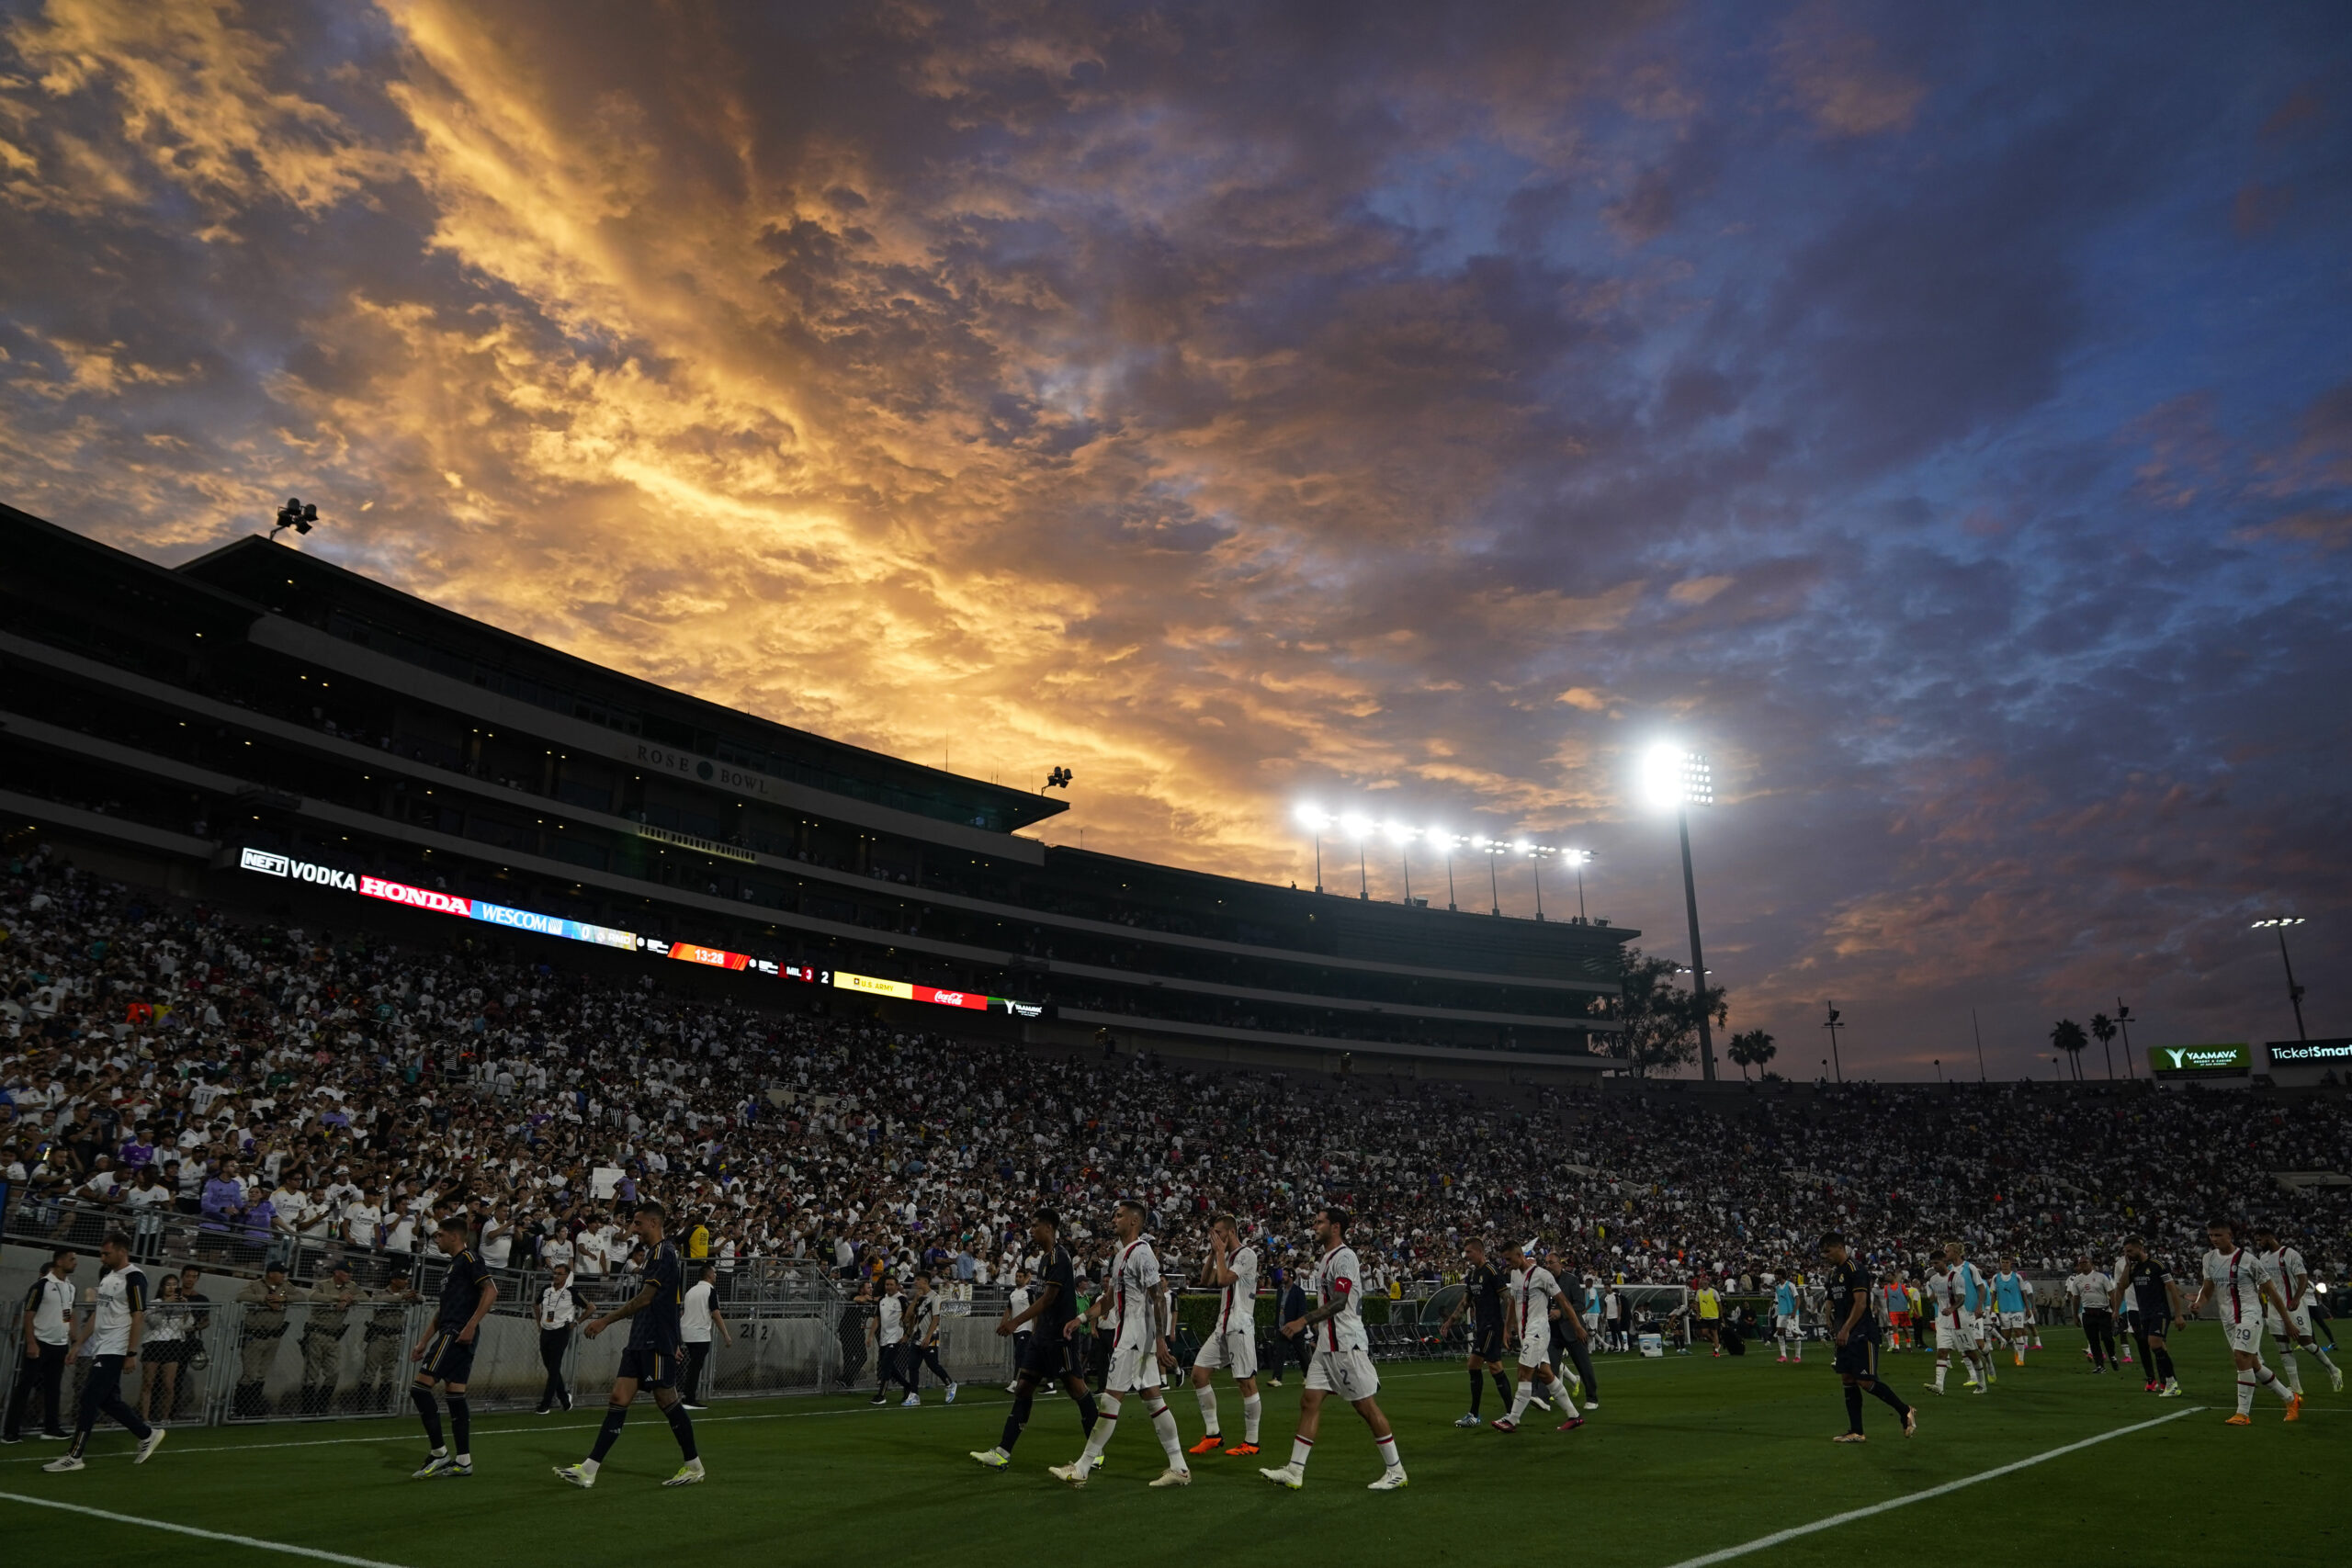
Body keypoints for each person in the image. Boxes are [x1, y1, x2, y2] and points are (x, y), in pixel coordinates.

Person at [555, 1200, 704, 1487]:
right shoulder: (652, 1255)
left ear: (653, 1223)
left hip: (655, 1339)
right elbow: (668, 1301)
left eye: (637, 1223)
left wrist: (604, 1320)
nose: (633, 1228)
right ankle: (589, 1470)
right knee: (618, 1399)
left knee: (667, 1400)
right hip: (640, 1337)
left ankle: (694, 1466)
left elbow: (647, 1299)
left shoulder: (664, 1254)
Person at [1259, 1207, 1407, 1492]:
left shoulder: (1345, 1257)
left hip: (1345, 1343)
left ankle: (1396, 1470)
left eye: (1319, 1222)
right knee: (1309, 1400)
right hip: (1328, 1344)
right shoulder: (1326, 1258)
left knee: (1365, 1406)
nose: (1314, 1226)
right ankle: (1294, 1471)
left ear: (1335, 1227)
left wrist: (1303, 1321)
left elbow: (1340, 1301)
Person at [1050, 1198, 1192, 1488]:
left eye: (1119, 1215)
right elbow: (1109, 1301)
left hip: (1135, 1338)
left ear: (1134, 1221)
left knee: (1109, 1398)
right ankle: (1179, 1467)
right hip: (1132, 1337)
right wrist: (1081, 1318)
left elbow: (1158, 1298)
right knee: (1154, 1401)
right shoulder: (1120, 1256)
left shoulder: (1142, 1254)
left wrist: (1161, 1340)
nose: (1113, 1220)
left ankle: (1082, 1467)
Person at [970, 1209, 1102, 1472]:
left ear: (1049, 1228)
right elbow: (1044, 1302)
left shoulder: (1059, 1257)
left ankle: (1096, 1453)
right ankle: (1002, 1452)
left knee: (1077, 1389)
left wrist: (1016, 1322)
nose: (1031, 1230)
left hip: (1060, 1338)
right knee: (1023, 1389)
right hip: (1042, 1338)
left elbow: (1049, 1299)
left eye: (1035, 1225)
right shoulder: (1044, 1260)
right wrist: (1034, 1333)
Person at [42, 1230, 166, 1472]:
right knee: (108, 1401)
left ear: (122, 1251)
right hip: (102, 1346)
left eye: (106, 1253)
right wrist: (79, 1344)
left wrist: (131, 1353)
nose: (102, 1257)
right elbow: (99, 1313)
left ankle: (75, 1456)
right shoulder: (108, 1278)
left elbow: (138, 1315)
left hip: (116, 1348)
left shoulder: (135, 1278)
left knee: (89, 1398)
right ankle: (147, 1434)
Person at [408, 1214, 497, 1478]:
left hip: (457, 1332)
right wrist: (424, 1340)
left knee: (420, 1389)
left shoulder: (469, 1259)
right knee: (455, 1394)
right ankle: (464, 1461)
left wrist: (471, 1325)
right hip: (451, 1330)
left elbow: (491, 1291)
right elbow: (442, 1310)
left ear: (455, 1236)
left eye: (440, 1235)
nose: (436, 1239)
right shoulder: (451, 1267)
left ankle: (439, 1453)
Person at [2188, 1219, 2299, 1426]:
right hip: (2228, 1318)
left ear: (2230, 1235)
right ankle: (2291, 1399)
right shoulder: (2208, 1258)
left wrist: (2288, 1322)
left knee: (2240, 1357)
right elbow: (2208, 1288)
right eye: (2211, 1235)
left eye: (2218, 1235)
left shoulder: (2249, 1260)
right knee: (2254, 1365)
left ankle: (2242, 1414)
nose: (2214, 1239)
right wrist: (2199, 1303)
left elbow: (2272, 1292)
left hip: (2250, 1314)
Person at [1818, 1231, 1915, 1444]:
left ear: (1839, 1247)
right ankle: (1856, 1431)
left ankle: (1905, 1410)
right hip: (1845, 1333)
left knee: (1865, 1380)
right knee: (1847, 1378)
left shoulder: (1856, 1270)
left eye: (1828, 1251)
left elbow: (1861, 1304)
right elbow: (1832, 1300)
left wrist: (1845, 1329)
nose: (1825, 1255)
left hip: (1862, 1333)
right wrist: (1831, 1322)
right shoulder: (1835, 1274)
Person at [1186, 1213, 1263, 1455]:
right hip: (1223, 1324)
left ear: (1230, 1232)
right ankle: (1213, 1434)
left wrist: (1220, 1254)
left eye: (1218, 1232)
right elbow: (1205, 1279)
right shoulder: (1225, 1255)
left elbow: (1223, 1280)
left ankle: (1252, 1442)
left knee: (1245, 1382)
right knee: (1198, 1374)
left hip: (1239, 1324)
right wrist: (1213, 1253)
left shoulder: (1246, 1254)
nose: (1215, 1236)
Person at [1490, 1240, 1580, 1433]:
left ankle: (1512, 1420)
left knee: (1523, 1372)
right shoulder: (1514, 1275)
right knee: (1545, 1374)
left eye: (1509, 1259)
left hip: (1538, 1331)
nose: (1507, 1263)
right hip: (1526, 1332)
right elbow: (1513, 1303)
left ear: (1519, 1255)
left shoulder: (1542, 1275)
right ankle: (1574, 1416)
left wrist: (1578, 1326)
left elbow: (1563, 1302)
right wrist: (1507, 1329)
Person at [2253, 1224, 2343, 1396]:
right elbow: (2264, 1282)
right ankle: (2296, 1386)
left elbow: (2303, 1278)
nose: (2258, 1243)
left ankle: (2333, 1369)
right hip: (2274, 1307)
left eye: (2260, 1239)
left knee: (2306, 1342)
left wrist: (2296, 1299)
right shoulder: (2263, 1258)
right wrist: (2262, 1301)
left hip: (2293, 1305)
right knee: (2282, 1344)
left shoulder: (2290, 1254)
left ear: (2269, 1237)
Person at [1437, 1236, 1513, 1427]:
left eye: (1469, 1252)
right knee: (1479, 1366)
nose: (1466, 1255)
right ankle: (1484, 1414)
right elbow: (1465, 1302)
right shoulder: (1472, 1276)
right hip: (1482, 1327)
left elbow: (1507, 1299)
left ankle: (1506, 1414)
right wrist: (1450, 1322)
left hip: (1492, 1327)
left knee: (1488, 1366)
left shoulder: (1492, 1272)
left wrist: (1510, 1327)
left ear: (1479, 1251)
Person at [4, 1247, 75, 1442]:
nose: (75, 1262)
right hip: (41, 1343)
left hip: (59, 1344)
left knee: (53, 1388)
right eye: (71, 1259)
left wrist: (68, 1334)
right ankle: (11, 1431)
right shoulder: (41, 1286)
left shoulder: (70, 1287)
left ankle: (51, 1428)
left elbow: (67, 1312)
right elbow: (29, 1315)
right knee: (25, 1387)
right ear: (59, 1262)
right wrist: (31, 1343)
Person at [2113, 1238, 2187, 1396]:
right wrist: (2127, 1266)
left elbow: (2172, 1289)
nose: (2128, 1254)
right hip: (2144, 1314)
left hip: (2159, 1311)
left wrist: (2179, 1315)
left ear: (2140, 1248)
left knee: (2154, 1344)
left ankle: (2171, 1384)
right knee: (2159, 1348)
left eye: (2130, 1251)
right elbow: (2121, 1286)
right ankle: (2171, 1383)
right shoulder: (2134, 1268)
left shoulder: (2157, 1265)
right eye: (2125, 1252)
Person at [1923, 1241, 1994, 1395]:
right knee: (1942, 1352)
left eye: (1936, 1263)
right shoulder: (1934, 1280)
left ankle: (1982, 1383)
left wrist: (1952, 1308)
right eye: (1932, 1263)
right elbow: (1936, 1298)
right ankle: (1939, 1386)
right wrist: (1931, 1296)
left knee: (1971, 1353)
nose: (1934, 1266)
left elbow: (1962, 1297)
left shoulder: (1957, 1277)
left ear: (1944, 1261)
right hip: (1943, 1322)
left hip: (1959, 1321)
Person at [300, 1261, 363, 1415]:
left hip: (334, 1336)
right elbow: (313, 1296)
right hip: (316, 1333)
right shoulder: (322, 1284)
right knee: (311, 1374)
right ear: (337, 1273)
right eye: (346, 1272)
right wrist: (337, 1298)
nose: (349, 1275)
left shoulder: (351, 1286)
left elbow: (366, 1298)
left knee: (333, 1373)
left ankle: (322, 1408)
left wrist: (348, 1300)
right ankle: (307, 1411)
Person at [233, 1263, 293, 1417]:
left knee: (261, 1374)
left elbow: (301, 1296)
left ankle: (253, 1407)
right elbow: (241, 1296)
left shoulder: (286, 1286)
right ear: (271, 1274)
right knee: (250, 1374)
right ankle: (240, 1409)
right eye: (280, 1273)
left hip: (273, 1336)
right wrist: (265, 1299)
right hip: (255, 1336)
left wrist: (283, 1298)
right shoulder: (255, 1285)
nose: (283, 1276)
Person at [138, 1274, 189, 1426]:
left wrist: (186, 1309)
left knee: (169, 1384)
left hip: (173, 1343)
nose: (172, 1288)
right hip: (154, 1343)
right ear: (162, 1287)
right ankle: (144, 1418)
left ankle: (165, 1418)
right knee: (148, 1382)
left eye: (175, 1284)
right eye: (168, 1284)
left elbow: (187, 1325)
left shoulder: (181, 1303)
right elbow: (153, 1322)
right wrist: (165, 1304)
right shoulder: (154, 1303)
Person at [680, 1264, 733, 1410]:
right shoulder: (710, 1291)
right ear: (709, 1275)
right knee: (695, 1367)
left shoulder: (691, 1290)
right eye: (714, 1273)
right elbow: (715, 1313)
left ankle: (687, 1395)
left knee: (692, 1365)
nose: (716, 1275)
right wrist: (726, 1334)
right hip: (700, 1333)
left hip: (687, 1331)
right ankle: (689, 1398)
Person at [537, 1262, 582, 1414]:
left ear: (566, 1276)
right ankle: (564, 1399)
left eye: (559, 1273)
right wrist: (539, 1323)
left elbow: (591, 1307)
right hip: (546, 1331)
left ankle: (546, 1404)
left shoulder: (571, 1292)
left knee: (554, 1368)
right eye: (554, 1273)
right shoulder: (546, 1289)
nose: (555, 1276)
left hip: (561, 1332)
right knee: (550, 1367)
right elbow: (535, 1304)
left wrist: (576, 1322)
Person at [902, 1273, 954, 1405]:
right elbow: (908, 1317)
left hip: (930, 1337)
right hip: (917, 1336)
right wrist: (915, 1300)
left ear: (925, 1282)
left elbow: (936, 1318)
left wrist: (928, 1337)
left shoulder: (935, 1297)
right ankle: (914, 1395)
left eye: (918, 1280)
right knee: (912, 1366)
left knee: (933, 1365)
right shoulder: (919, 1298)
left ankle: (950, 1384)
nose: (915, 1282)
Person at [866, 1274, 916, 1404]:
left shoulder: (901, 1299)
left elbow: (911, 1316)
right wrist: (870, 1335)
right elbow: (877, 1319)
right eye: (887, 1285)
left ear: (896, 1286)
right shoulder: (882, 1299)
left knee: (886, 1365)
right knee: (887, 1364)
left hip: (896, 1338)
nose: (888, 1287)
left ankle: (881, 1395)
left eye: (891, 1285)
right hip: (884, 1337)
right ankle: (907, 1386)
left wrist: (908, 1334)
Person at [2066, 1256, 2119, 1374]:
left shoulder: (2101, 1277)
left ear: (2091, 1263)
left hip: (2103, 1311)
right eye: (2081, 1263)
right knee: (2093, 1340)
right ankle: (2100, 1365)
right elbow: (2076, 1298)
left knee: (2107, 1338)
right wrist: (2074, 1315)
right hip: (2088, 1313)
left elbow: (2111, 1293)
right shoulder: (2077, 1280)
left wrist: (2115, 1310)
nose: (2083, 1265)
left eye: (2085, 1262)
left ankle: (2112, 1355)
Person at [1990, 1257, 2034, 1367]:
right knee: (2006, 1336)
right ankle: (2014, 1346)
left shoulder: (2017, 1277)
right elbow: (1993, 1294)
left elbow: (2024, 1293)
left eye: (2007, 1262)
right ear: (2000, 1264)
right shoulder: (1996, 1278)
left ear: (2011, 1264)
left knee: (2018, 1331)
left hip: (2017, 1309)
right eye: (2003, 1262)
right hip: (2003, 1310)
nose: (2005, 1264)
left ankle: (2020, 1359)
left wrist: (2028, 1309)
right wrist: (1992, 1310)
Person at [1003, 1268, 1033, 1393]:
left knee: (1019, 1355)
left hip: (1026, 1327)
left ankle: (1015, 1382)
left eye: (1021, 1276)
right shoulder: (1013, 1293)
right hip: (1015, 1329)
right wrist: (1003, 1324)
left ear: (1025, 1278)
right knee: (1023, 1356)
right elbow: (1009, 1309)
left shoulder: (1029, 1292)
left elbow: (1034, 1310)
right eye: (1017, 1276)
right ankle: (1027, 1381)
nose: (1018, 1278)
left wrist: (1035, 1328)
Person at [1774, 1273, 1804, 1363]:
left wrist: (1794, 1312)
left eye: (1776, 1275)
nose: (1775, 1276)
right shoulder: (1777, 1288)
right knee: (1779, 1332)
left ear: (1781, 1275)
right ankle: (1783, 1356)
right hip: (1782, 1313)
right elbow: (1777, 1301)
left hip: (1792, 1312)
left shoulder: (1790, 1285)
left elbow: (1798, 1299)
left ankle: (1797, 1357)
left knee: (1794, 1333)